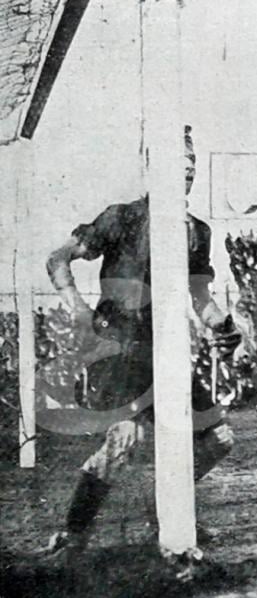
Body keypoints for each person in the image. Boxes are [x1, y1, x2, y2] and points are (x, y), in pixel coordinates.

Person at [43, 128, 241, 565]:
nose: (188, 167)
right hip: (120, 350)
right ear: (155, 169)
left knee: (219, 439)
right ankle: (72, 534)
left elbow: (200, 298)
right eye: (179, 159)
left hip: (167, 353)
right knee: (124, 442)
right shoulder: (123, 217)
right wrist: (80, 314)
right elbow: (58, 259)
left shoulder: (197, 232)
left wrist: (224, 327)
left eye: (192, 158)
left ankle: (163, 509)